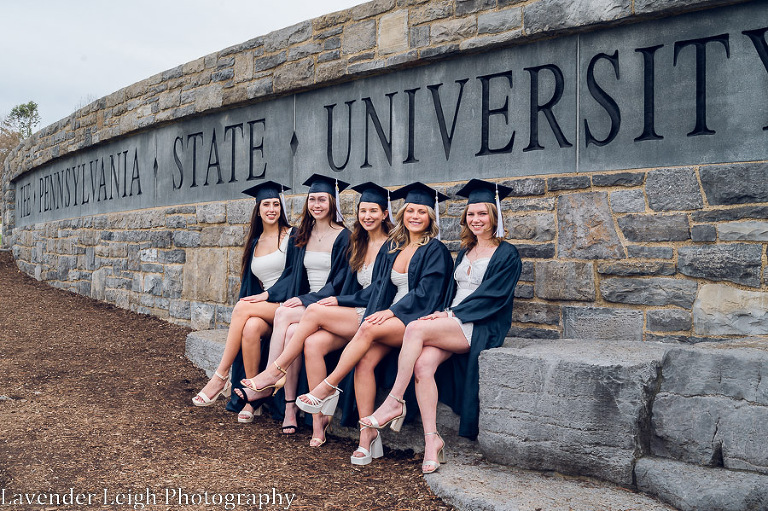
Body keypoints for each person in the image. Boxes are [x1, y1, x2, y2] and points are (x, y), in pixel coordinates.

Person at [361, 179, 521, 474]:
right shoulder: (466, 250)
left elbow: (493, 297)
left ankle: (394, 401)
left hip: (479, 324)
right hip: (452, 319)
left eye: (482, 214)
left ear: (495, 216)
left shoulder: (507, 253)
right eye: (471, 215)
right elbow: (451, 290)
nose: (476, 220)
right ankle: (432, 440)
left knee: (414, 329)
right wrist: (443, 313)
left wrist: (448, 315)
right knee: (423, 366)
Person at [296, 182, 454, 466]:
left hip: (415, 319)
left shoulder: (436, 250)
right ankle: (367, 437)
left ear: (431, 217)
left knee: (367, 327)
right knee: (365, 360)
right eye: (410, 211)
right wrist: (380, 310)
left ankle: (328, 387)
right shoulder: (395, 248)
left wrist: (391, 313)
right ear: (402, 214)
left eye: (421, 212)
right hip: (393, 317)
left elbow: (425, 295)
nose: (414, 216)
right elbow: (382, 289)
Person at [241, 182, 393, 446]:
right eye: (363, 211)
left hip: (368, 313)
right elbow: (342, 279)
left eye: (373, 211)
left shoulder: (386, 246)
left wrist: (330, 299)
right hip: (344, 307)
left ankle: (273, 373)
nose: (367, 216)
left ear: (385, 214)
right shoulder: (358, 241)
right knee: (303, 337)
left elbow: (362, 288)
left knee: (298, 314)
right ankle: (316, 420)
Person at [235, 173, 352, 434]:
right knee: (288, 328)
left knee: (285, 315)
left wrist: (303, 299)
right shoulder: (304, 234)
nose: (317, 205)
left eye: (322, 199)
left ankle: (270, 376)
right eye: (312, 200)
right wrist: (295, 297)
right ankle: (289, 407)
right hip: (308, 301)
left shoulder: (344, 236)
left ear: (333, 202)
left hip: (329, 303)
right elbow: (294, 273)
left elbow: (339, 282)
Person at [191, 180, 292, 424]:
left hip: (289, 305)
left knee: (243, 307)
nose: (271, 209)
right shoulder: (255, 243)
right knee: (250, 327)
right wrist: (262, 299)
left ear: (282, 208)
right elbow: (251, 284)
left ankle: (220, 375)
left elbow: (295, 276)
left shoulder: (292, 235)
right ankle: (252, 400)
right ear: (257, 210)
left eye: (276, 204)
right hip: (268, 311)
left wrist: (268, 296)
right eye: (266, 204)